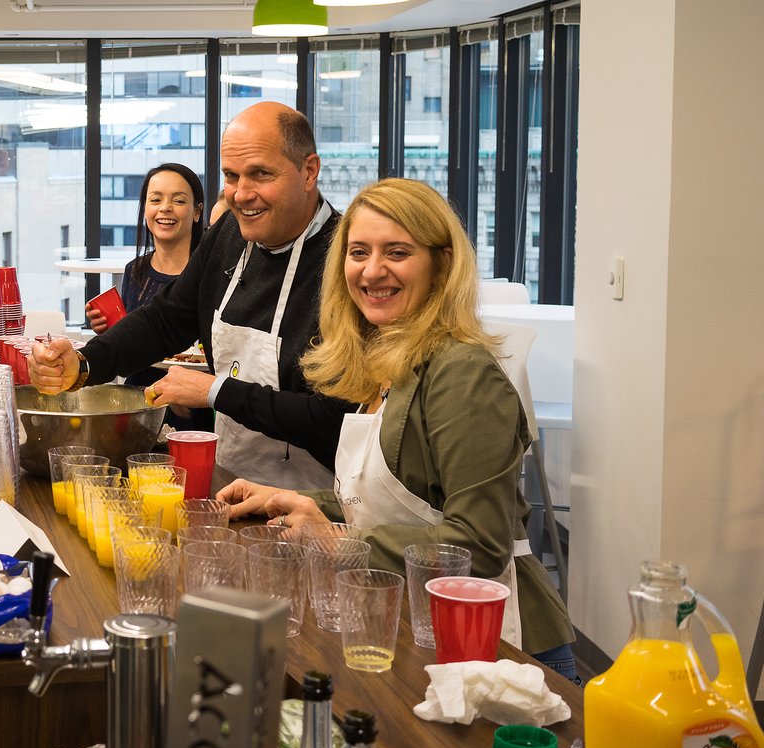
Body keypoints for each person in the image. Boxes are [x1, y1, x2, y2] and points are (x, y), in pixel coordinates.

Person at [217, 178, 578, 681]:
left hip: (498, 649)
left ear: (442, 263)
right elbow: (401, 501)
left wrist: (341, 542)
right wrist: (303, 503)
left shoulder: (461, 371)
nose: (372, 270)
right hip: (414, 626)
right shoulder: (382, 363)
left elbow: (480, 543)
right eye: (358, 252)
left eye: (398, 252)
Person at [30, 102, 352, 489]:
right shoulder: (229, 234)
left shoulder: (349, 259)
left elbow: (337, 418)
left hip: (316, 498)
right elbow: (166, 320)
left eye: (260, 174)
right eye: (231, 176)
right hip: (230, 478)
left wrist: (216, 391)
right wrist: (83, 365)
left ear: (309, 171)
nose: (241, 194)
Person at [85, 163, 212, 431]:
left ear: (197, 211)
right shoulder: (136, 271)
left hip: (193, 411)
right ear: (145, 209)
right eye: (155, 199)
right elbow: (138, 335)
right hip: (137, 404)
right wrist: (111, 330)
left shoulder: (210, 276)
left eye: (178, 200)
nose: (165, 208)